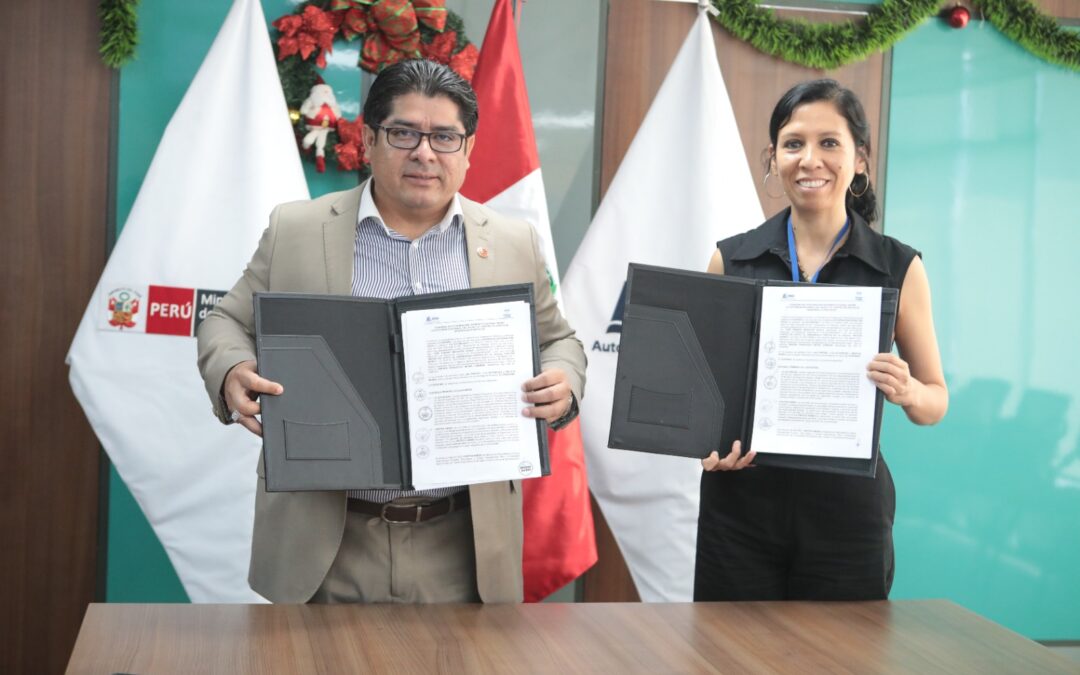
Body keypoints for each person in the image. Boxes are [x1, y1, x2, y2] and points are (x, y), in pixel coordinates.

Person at [196, 59, 585, 605]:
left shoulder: (511, 241)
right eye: (404, 133)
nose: (425, 153)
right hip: (327, 543)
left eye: (444, 137)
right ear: (369, 139)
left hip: (465, 547)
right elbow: (225, 321)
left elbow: (560, 340)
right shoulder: (298, 229)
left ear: (468, 150)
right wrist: (232, 369)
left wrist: (564, 379)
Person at [695, 79, 948, 601]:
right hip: (739, 509)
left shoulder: (899, 266)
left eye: (829, 142)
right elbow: (704, 394)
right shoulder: (731, 259)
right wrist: (706, 444)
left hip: (848, 516)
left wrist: (907, 390)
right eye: (794, 144)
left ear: (860, 159)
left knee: (842, 647)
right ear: (774, 157)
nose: (810, 159)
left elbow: (934, 403)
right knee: (730, 646)